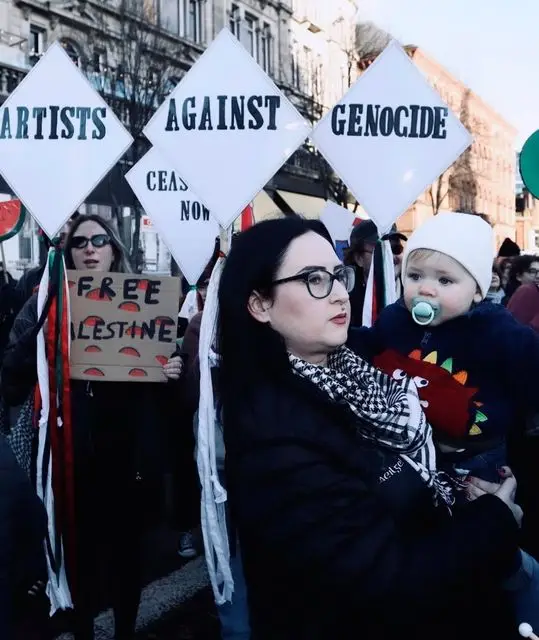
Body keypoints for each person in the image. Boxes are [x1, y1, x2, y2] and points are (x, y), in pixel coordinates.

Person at [216, 216, 520, 640]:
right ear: (260, 304)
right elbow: (385, 582)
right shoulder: (277, 437)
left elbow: (402, 490)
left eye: (339, 275)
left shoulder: (359, 372)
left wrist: (463, 496)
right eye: (315, 279)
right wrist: (494, 521)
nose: (341, 293)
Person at [348, 212, 539, 628]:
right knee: (423, 541)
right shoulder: (396, 320)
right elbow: (369, 346)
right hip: (412, 455)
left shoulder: (497, 332)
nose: (426, 289)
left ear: (477, 291)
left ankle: (520, 591)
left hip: (477, 458)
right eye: (415, 274)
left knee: (484, 546)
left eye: (445, 280)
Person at [2, 214, 179, 640]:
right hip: (69, 454)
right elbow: (9, 379)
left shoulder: (145, 299)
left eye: (99, 240)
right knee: (79, 557)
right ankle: (82, 630)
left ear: (114, 248)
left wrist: (172, 369)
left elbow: (166, 390)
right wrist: (39, 344)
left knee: (125, 558)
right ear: (69, 252)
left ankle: (124, 631)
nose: (90, 248)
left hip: (126, 455)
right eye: (80, 242)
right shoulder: (44, 301)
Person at [344, 220, 406, 325]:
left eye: (396, 248)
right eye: (381, 250)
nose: (390, 256)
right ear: (359, 258)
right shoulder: (347, 302)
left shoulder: (412, 293)